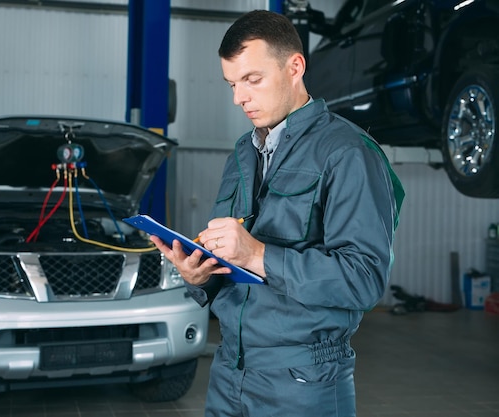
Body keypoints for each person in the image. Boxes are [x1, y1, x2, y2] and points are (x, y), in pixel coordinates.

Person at [150, 9, 404, 417]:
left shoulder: (348, 153)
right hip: (230, 371)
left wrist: (256, 254)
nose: (239, 97)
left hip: (304, 380)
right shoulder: (242, 154)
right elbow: (232, 261)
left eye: (252, 79)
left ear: (295, 67)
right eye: (232, 84)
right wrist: (201, 276)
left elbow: (364, 279)